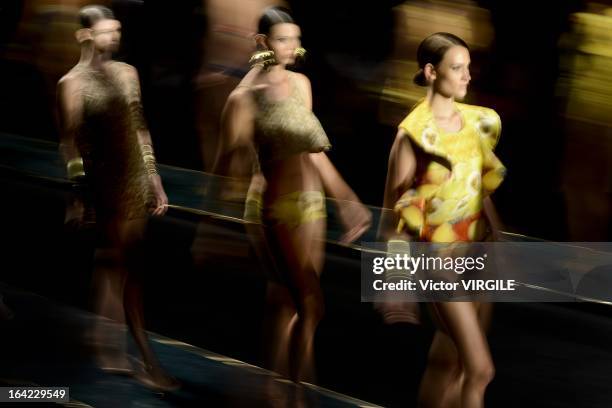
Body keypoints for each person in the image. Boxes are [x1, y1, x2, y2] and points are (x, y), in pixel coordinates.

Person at [214, 6, 371, 384]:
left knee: (295, 302)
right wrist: (213, 223)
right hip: (273, 204)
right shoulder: (243, 97)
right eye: (283, 39)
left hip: (311, 202)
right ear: (262, 41)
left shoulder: (302, 85)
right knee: (302, 300)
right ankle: (290, 390)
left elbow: (312, 150)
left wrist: (347, 200)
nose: (292, 46)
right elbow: (227, 162)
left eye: (296, 39)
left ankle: (285, 386)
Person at [382, 32, 505, 407]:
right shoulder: (413, 134)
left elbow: (478, 188)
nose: (467, 76)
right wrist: (394, 282)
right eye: (457, 68)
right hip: (438, 258)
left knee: (448, 360)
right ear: (432, 72)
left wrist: (499, 241)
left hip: (478, 252)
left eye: (468, 68)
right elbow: (391, 214)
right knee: (480, 369)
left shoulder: (476, 122)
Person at [57, 5, 176, 391]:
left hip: (135, 179)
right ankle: (147, 358)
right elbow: (70, 142)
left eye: (118, 30)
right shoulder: (70, 83)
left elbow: (141, 127)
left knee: (123, 260)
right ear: (85, 35)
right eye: (107, 31)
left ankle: (106, 340)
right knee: (127, 267)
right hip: (103, 182)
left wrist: (154, 176)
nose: (115, 36)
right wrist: (77, 193)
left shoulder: (128, 74)